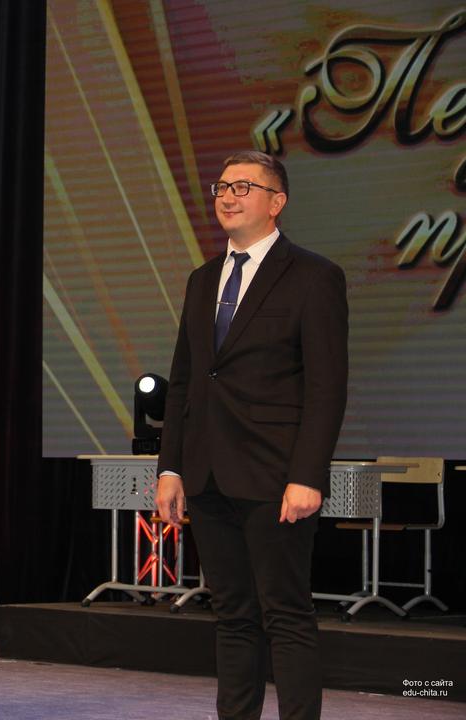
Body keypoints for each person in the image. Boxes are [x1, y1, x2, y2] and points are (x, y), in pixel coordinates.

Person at [155, 151, 348, 720]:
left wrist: (307, 475)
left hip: (275, 476)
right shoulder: (202, 280)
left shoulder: (313, 276)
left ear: (276, 202)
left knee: (285, 614)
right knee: (233, 616)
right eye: (222, 187)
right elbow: (185, 382)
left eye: (243, 187)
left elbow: (326, 387)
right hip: (208, 475)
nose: (228, 196)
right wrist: (171, 467)